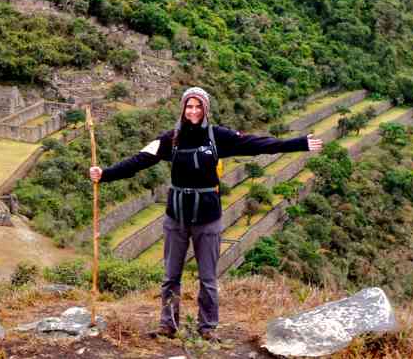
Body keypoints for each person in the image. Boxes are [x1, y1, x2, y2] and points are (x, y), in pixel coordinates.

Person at [89, 86, 323, 340]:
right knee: (170, 277)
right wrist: (106, 174)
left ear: (205, 109)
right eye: (189, 106)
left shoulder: (217, 136)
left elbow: (257, 144)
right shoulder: (171, 138)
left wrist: (298, 144)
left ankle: (207, 327)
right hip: (176, 216)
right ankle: (168, 325)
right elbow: (139, 160)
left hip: (208, 218)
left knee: (208, 277)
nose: (193, 111)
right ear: (183, 109)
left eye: (198, 106)